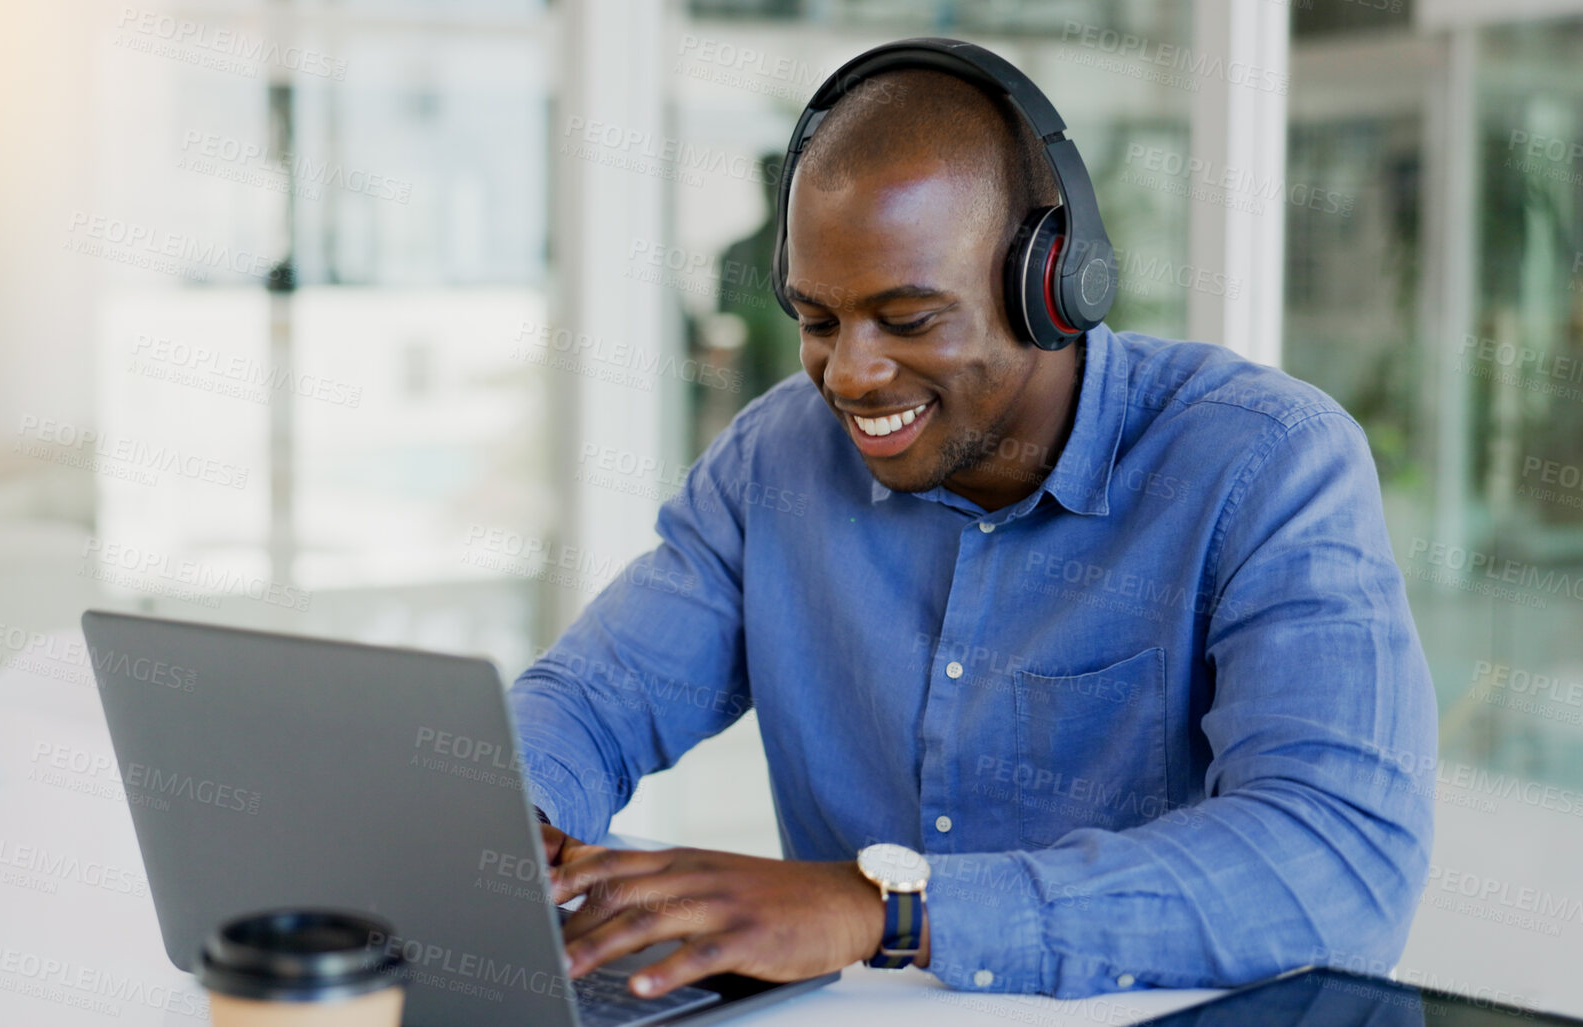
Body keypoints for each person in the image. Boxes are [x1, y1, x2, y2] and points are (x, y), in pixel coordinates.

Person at [508, 54, 1435, 1002]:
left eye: (907, 319)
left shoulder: (1263, 463)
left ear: (1051, 285)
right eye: (818, 318)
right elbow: (592, 699)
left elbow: (1340, 858)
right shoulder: (774, 462)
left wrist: (888, 909)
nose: (849, 375)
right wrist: (512, 825)